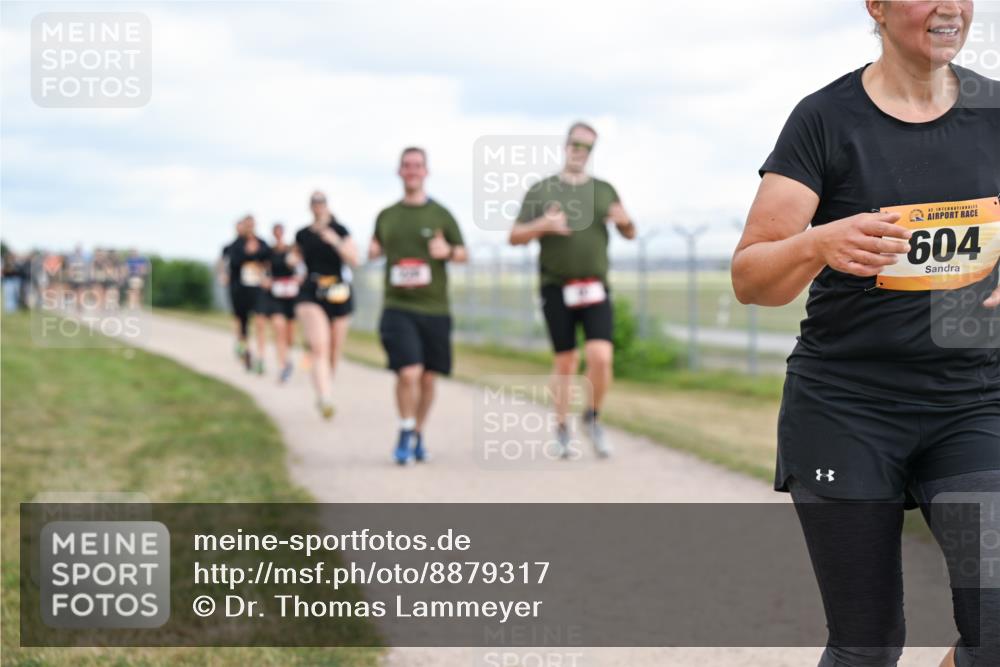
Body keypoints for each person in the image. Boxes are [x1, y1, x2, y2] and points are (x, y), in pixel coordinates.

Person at [732, 3, 999, 666]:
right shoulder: (825, 120)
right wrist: (818, 240)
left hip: (972, 404)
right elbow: (751, 276)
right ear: (875, 6)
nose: (951, 6)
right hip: (845, 408)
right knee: (868, 642)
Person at [509, 122, 636, 459]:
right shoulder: (542, 190)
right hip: (556, 287)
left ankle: (592, 417)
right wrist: (543, 225)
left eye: (587, 146)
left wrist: (624, 221)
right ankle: (561, 428)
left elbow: (630, 231)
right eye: (575, 143)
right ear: (566, 145)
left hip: (595, 287)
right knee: (565, 361)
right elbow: (514, 236)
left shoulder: (605, 190)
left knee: (601, 357)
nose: (580, 150)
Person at [369, 147, 467, 465]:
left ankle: (419, 432)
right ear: (399, 172)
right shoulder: (387, 216)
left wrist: (448, 252)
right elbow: (376, 246)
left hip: (435, 308)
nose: (412, 170)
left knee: (428, 378)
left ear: (426, 172)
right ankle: (405, 429)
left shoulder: (441, 215)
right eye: (407, 166)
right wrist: (372, 250)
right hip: (398, 306)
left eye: (418, 166)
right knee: (408, 373)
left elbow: (463, 253)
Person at [294, 192, 358, 417]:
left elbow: (354, 259)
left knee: (333, 350)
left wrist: (335, 240)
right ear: (310, 206)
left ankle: (326, 385)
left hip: (339, 291)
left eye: (321, 202)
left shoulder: (340, 230)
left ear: (327, 206)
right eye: (314, 202)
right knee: (319, 346)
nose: (318, 206)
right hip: (312, 291)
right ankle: (325, 397)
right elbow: (295, 260)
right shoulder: (302, 234)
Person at [220, 216, 271, 373]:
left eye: (251, 224)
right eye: (246, 225)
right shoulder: (234, 245)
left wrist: (267, 276)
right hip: (240, 289)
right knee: (242, 323)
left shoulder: (262, 243)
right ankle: (246, 352)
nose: (249, 227)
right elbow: (229, 263)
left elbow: (268, 261)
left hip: (257, 289)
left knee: (260, 321)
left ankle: (261, 357)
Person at [256, 222, 301, 384]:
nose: (278, 234)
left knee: (289, 336)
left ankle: (287, 360)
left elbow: (301, 270)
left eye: (281, 231)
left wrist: (299, 276)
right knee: (278, 330)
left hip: (290, 296)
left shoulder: (292, 250)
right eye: (276, 232)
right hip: (275, 296)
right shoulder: (269, 252)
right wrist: (264, 279)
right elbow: (261, 269)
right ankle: (282, 366)